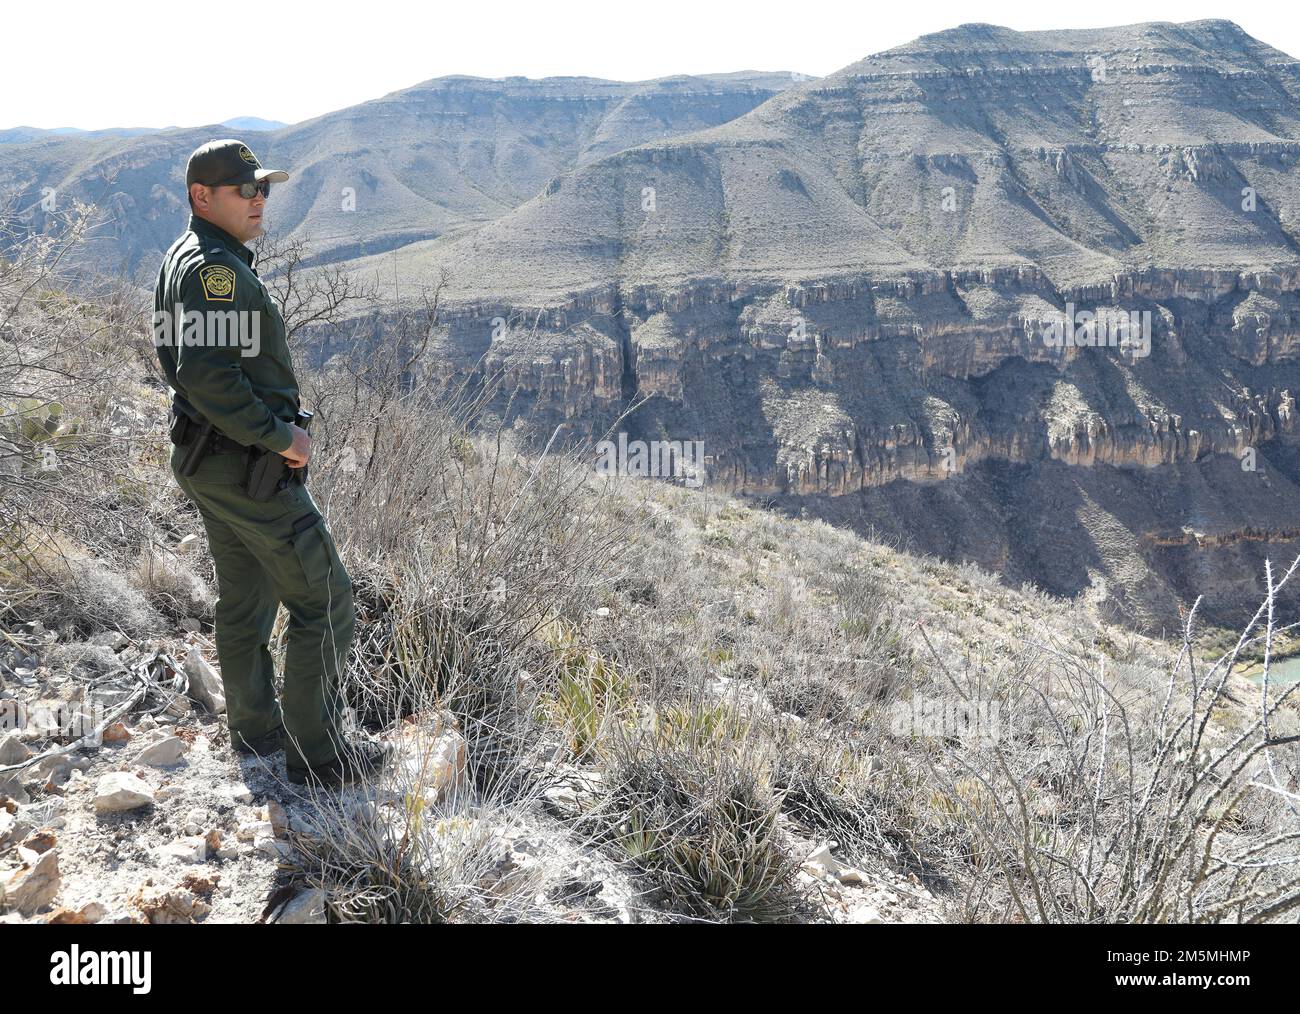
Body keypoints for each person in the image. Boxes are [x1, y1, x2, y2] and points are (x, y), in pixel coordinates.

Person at [153, 139, 386, 787]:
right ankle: (321, 757)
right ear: (203, 196)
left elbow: (191, 366)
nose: (258, 199)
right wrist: (281, 436)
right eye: (243, 189)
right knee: (327, 602)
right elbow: (208, 374)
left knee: (247, 598)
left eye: (263, 189)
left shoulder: (188, 256)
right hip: (245, 464)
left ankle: (257, 733)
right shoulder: (213, 270)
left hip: (207, 458)